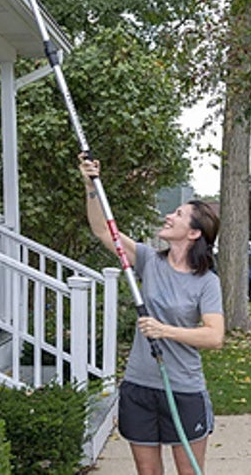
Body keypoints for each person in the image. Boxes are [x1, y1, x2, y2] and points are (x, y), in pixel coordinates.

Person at [80, 156, 224, 475]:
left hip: (183, 388)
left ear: (194, 233)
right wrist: (91, 186)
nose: (168, 215)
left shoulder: (206, 281)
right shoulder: (149, 261)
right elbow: (104, 231)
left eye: (179, 214)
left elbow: (214, 336)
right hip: (139, 385)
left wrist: (165, 330)